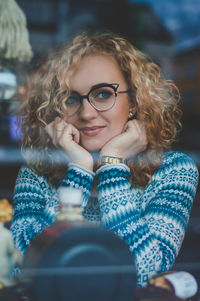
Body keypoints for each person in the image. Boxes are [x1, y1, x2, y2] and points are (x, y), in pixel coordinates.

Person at [11, 32, 199, 287]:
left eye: (102, 94)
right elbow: (17, 271)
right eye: (71, 98)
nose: (87, 113)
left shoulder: (173, 169)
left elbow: (142, 274)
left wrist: (111, 164)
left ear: (133, 101)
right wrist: (78, 171)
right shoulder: (37, 171)